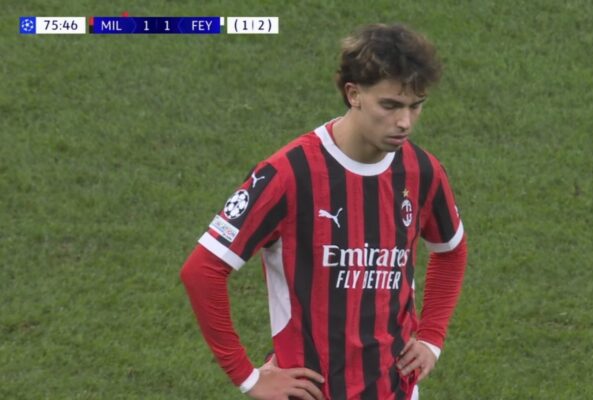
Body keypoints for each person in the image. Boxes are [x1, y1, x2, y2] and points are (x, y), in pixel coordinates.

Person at [180, 23, 468, 400]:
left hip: (395, 391)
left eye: (416, 106)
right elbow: (202, 271)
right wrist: (248, 377)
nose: (405, 122)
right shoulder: (288, 174)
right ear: (354, 94)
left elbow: (451, 250)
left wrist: (431, 337)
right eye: (391, 105)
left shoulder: (422, 171)